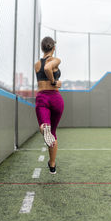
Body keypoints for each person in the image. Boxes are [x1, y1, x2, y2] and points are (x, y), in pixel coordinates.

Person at [35, 36, 64, 174]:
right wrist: (54, 81)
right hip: (56, 98)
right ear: (53, 47)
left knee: (45, 125)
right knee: (52, 133)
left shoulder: (36, 64)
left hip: (42, 98)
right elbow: (48, 68)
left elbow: (43, 69)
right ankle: (52, 165)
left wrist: (52, 81)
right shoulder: (55, 60)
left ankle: (43, 127)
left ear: (42, 48)